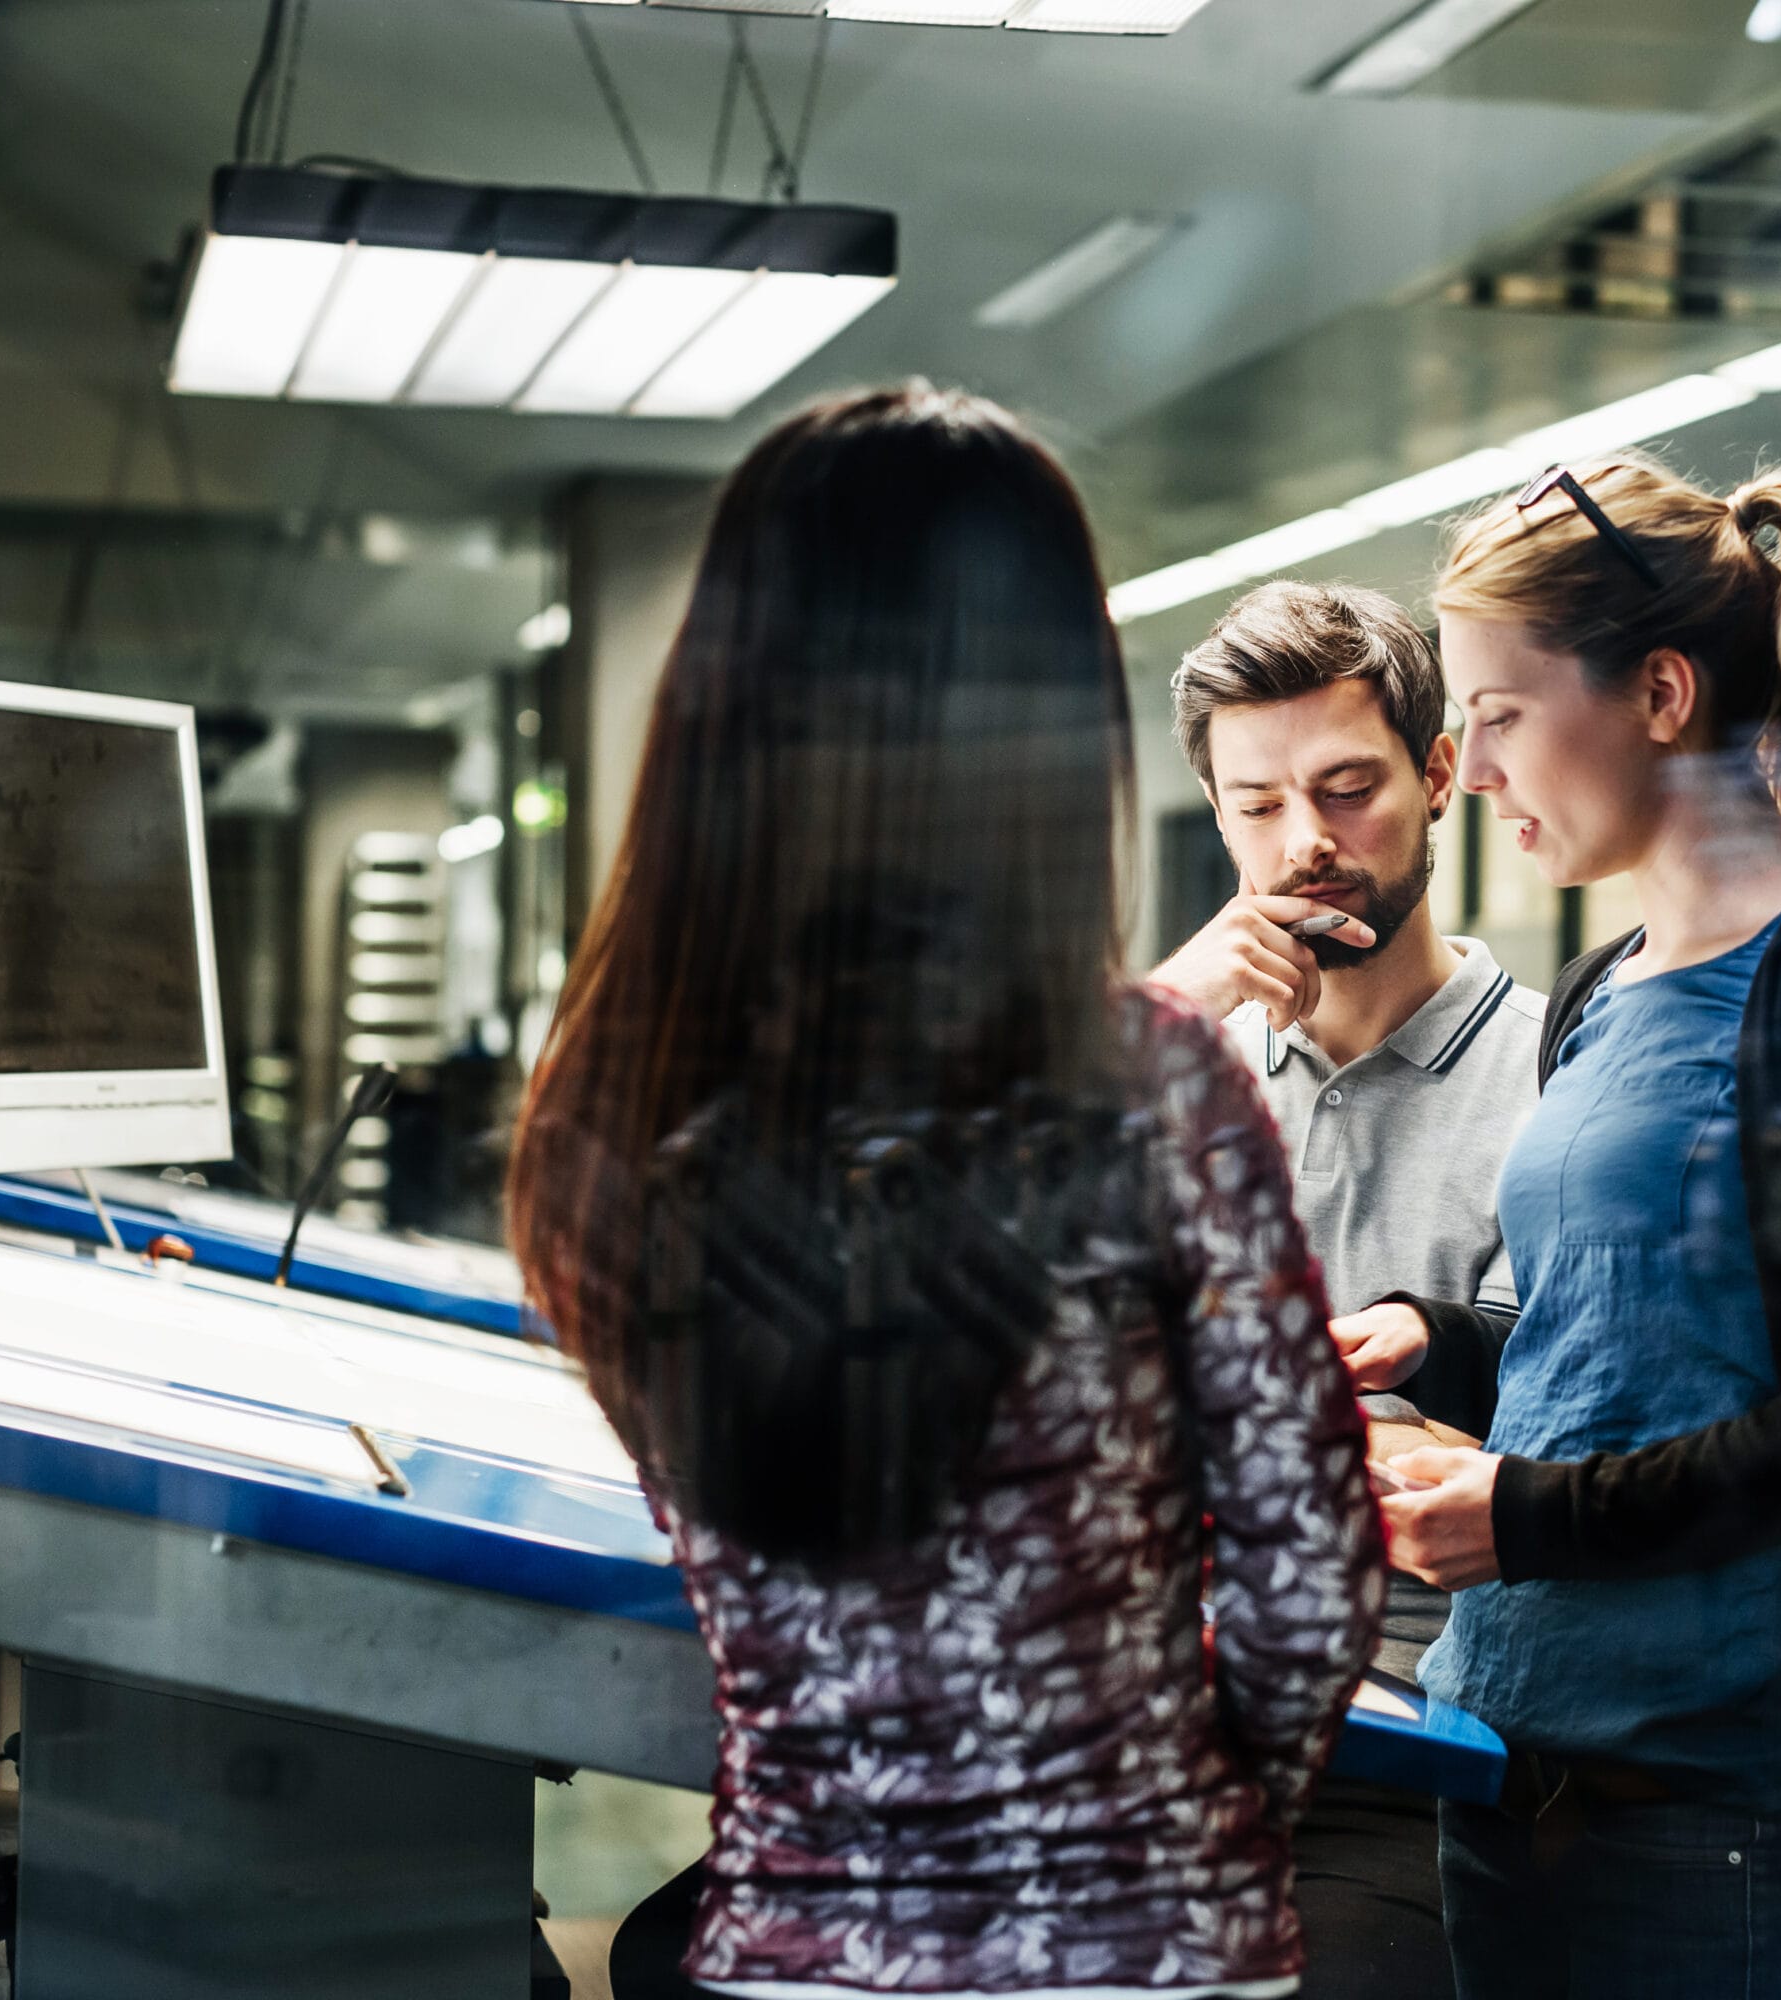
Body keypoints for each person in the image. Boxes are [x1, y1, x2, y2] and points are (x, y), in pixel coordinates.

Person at [510, 385, 1384, 2000]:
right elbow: (1311, 1577)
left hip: (802, 1943)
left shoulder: (609, 1116)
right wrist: (1178, 1827)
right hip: (1149, 1951)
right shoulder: (1157, 1088)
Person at [1373, 455, 1781, 1998]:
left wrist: (1532, 1517)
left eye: (1503, 715)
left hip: (1715, 1815)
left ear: (1662, 694)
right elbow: (1637, 1339)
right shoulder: (1607, 980)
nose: (1468, 770)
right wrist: (1446, 1345)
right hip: (1516, 1762)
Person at [1147, 581, 1544, 1998]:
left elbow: (1516, 1453)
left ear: (1441, 778)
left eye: (1347, 789)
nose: (1303, 844)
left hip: (1392, 1740)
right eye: (1256, 805)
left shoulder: (1560, 1086)